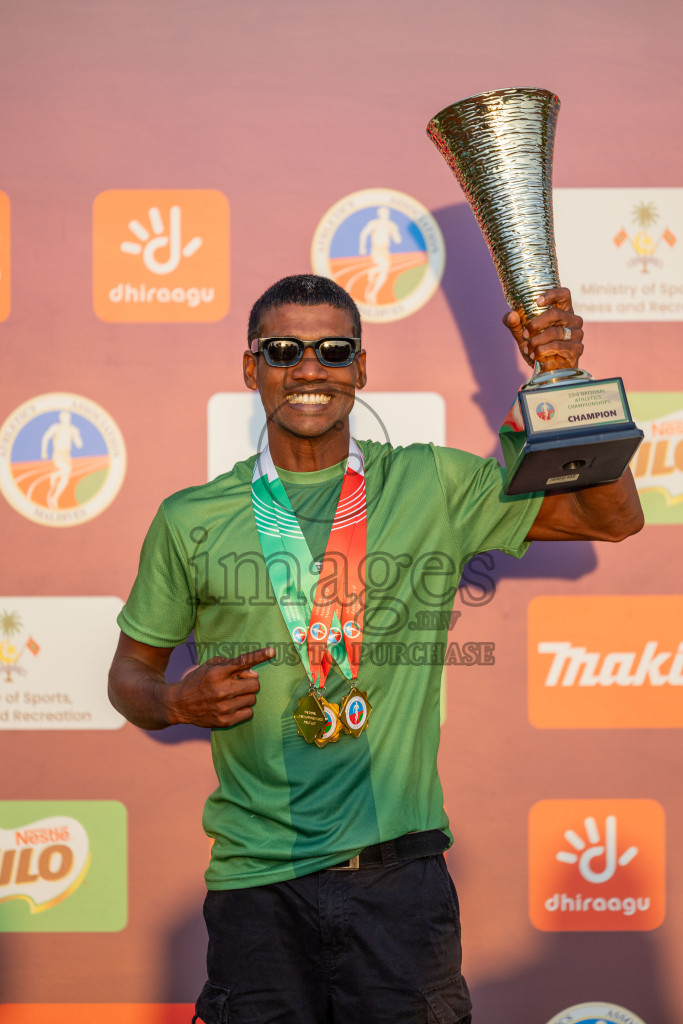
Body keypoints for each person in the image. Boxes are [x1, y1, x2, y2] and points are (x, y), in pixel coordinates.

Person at [108, 274, 643, 1024]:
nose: (308, 368)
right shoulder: (189, 518)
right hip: (255, 887)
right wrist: (168, 700)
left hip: (399, 882)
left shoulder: (431, 481)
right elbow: (129, 670)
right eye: (283, 350)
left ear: (361, 367)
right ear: (249, 366)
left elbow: (609, 517)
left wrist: (562, 384)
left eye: (332, 349)